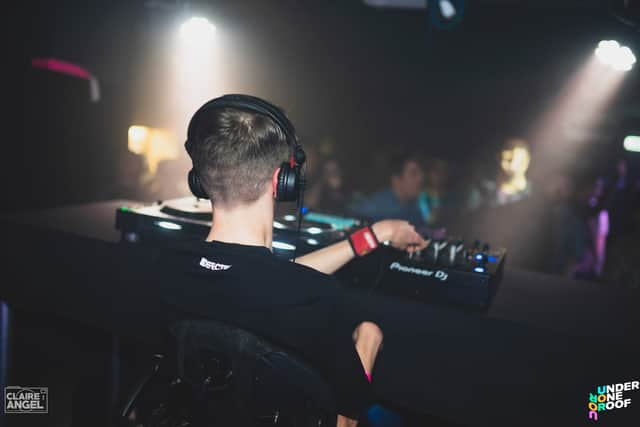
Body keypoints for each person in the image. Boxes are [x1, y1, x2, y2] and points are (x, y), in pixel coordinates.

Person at [157, 94, 427, 427]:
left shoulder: (169, 266)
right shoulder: (316, 297)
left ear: (199, 179)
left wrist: (371, 236)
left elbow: (263, 280)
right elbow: (345, 421)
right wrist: (369, 341)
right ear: (281, 181)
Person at [351, 152, 427, 229]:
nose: (421, 179)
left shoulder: (413, 207)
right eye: (413, 173)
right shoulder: (374, 210)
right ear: (396, 179)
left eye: (421, 173)